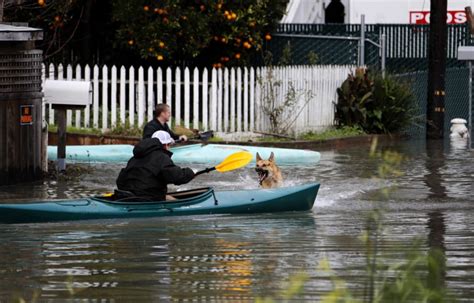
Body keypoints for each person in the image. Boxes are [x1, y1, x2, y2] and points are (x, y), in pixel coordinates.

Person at [116, 130, 195, 201]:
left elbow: (120, 181)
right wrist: (190, 172)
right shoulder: (161, 157)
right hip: (147, 200)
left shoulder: (134, 158)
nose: (169, 148)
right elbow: (177, 177)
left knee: (167, 197)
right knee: (173, 201)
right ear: (166, 145)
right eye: (169, 145)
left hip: (127, 197)